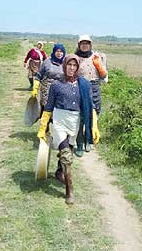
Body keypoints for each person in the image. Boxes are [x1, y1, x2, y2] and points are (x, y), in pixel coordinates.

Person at [37, 55, 99, 205]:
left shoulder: (83, 85)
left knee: (68, 150)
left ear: (77, 67)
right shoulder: (56, 84)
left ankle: (59, 171)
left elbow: (89, 106)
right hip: (59, 120)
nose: (71, 68)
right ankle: (69, 191)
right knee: (66, 155)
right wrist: (43, 126)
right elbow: (49, 106)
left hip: (74, 121)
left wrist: (94, 125)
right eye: (69, 65)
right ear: (64, 66)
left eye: (74, 65)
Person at [75, 34, 107, 156]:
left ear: (90, 45)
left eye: (87, 43)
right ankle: (79, 143)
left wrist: (99, 65)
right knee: (80, 117)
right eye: (82, 43)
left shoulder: (97, 57)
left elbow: (104, 76)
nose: (85, 45)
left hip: (94, 88)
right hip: (79, 88)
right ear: (79, 45)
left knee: (92, 116)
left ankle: (88, 141)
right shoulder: (75, 58)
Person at [31, 43, 66, 114]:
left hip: (60, 93)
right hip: (46, 93)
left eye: (61, 51)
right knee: (46, 114)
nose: (59, 53)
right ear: (54, 52)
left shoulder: (66, 63)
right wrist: (35, 89)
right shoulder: (47, 62)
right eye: (57, 51)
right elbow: (38, 76)